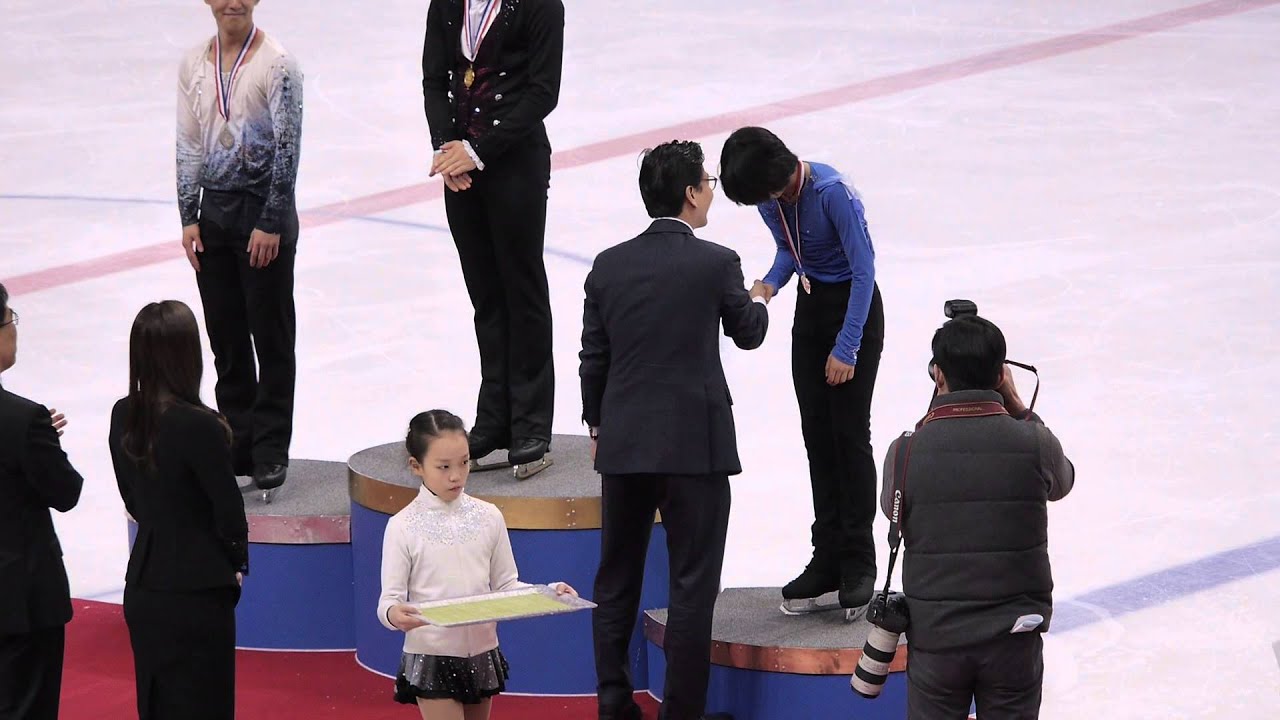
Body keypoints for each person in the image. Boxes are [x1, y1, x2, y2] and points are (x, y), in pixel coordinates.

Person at [581, 140, 769, 720]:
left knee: (616, 578)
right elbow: (748, 332)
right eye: (707, 182)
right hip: (696, 449)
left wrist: (598, 424)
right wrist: (760, 295)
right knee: (691, 586)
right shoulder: (717, 262)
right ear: (690, 194)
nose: (712, 188)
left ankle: (614, 704)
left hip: (626, 445)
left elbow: (594, 357)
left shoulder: (609, 265)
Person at [719, 126, 884, 614]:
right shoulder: (773, 202)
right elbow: (790, 251)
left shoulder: (831, 193)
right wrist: (769, 285)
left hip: (853, 312)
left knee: (849, 438)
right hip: (811, 315)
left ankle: (859, 561)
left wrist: (848, 347)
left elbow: (865, 270)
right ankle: (827, 555)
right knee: (817, 437)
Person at [880, 315, 1074, 719]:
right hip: (1013, 637)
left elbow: (891, 508)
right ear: (1002, 374)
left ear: (938, 376)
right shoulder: (1033, 442)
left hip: (938, 640)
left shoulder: (906, 451)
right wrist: (1019, 407)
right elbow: (1063, 482)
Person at [422, 0, 565, 473]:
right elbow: (435, 79)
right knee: (485, 295)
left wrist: (477, 150)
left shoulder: (540, 5)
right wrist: (447, 149)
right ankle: (495, 417)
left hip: (514, 165)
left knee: (521, 290)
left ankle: (530, 423)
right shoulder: (446, 3)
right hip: (460, 168)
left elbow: (543, 93)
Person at [177, 0, 304, 496]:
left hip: (262, 213)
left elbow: (289, 147)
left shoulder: (276, 63)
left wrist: (271, 220)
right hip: (215, 213)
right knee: (226, 338)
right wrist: (189, 212)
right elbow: (188, 141)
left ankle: (271, 447)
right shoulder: (193, 63)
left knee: (269, 337)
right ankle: (239, 440)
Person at [378, 409, 577, 719]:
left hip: (482, 652)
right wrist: (393, 615)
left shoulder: (489, 516)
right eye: (443, 467)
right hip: (432, 654)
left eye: (464, 462)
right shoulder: (402, 526)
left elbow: (507, 585)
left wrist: (549, 592)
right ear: (416, 466)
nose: (456, 475)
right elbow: (389, 601)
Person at [108, 300, 250, 720]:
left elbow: (130, 496)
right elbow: (228, 511)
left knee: (158, 702)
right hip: (197, 588)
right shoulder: (201, 425)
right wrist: (234, 563)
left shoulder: (123, 414)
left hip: (146, 583)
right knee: (204, 703)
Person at [0, 282, 84, 720]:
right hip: (20, 602)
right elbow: (66, 491)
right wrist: (39, 441)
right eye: (10, 318)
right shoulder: (22, 419)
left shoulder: (23, 422)